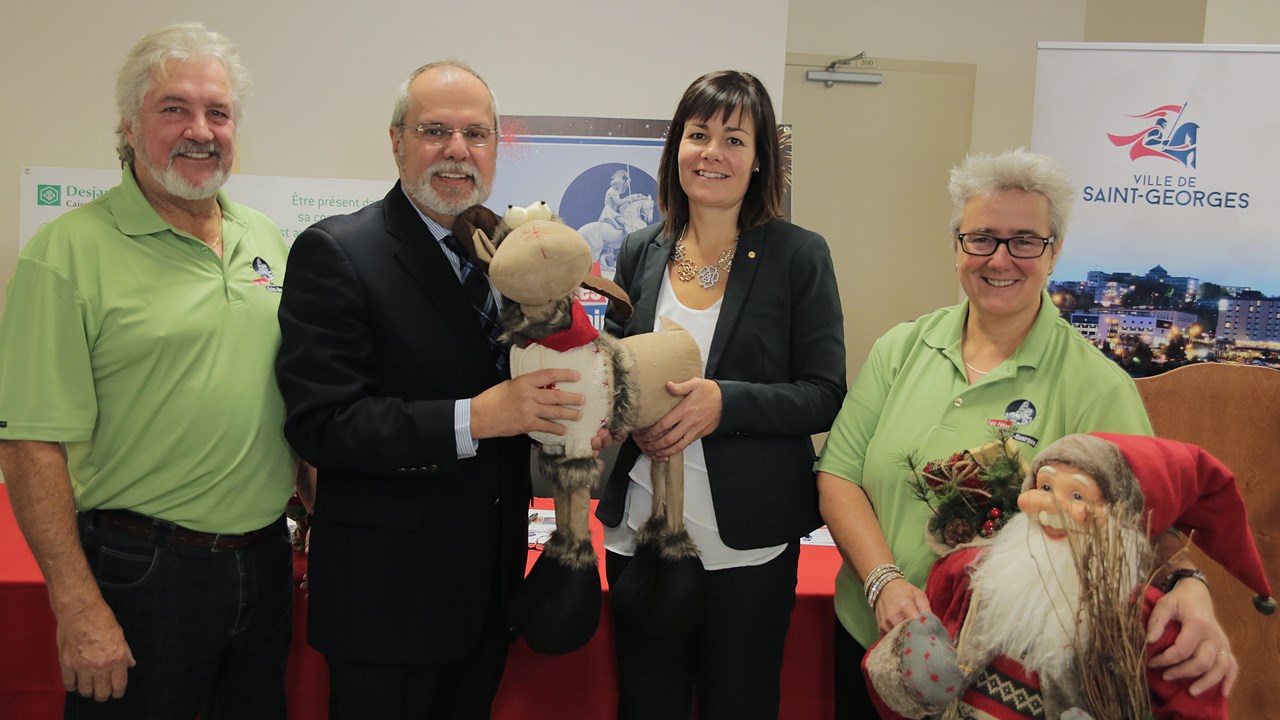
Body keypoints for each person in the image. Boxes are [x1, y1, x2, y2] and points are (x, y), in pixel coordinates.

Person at [816, 148, 1237, 717]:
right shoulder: (901, 349)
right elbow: (839, 475)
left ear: (1054, 251)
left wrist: (1192, 585)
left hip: (1005, 678)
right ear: (957, 245)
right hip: (875, 643)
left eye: (1024, 241)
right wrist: (883, 583)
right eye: (981, 237)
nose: (1000, 259)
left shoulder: (1097, 385)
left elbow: (1144, 523)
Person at [274, 61, 595, 720]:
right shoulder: (336, 252)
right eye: (435, 130)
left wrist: (579, 411)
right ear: (397, 141)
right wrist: (475, 418)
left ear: (496, 147)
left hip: (485, 600)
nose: (457, 149)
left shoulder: (508, 254)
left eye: (476, 133)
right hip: (385, 609)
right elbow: (323, 425)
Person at [0, 22, 302, 719]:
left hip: (263, 561)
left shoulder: (265, 238)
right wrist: (76, 604)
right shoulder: (66, 253)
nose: (201, 130)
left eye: (217, 112)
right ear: (130, 127)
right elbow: (28, 443)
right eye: (175, 109)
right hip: (141, 571)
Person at [596, 70, 847, 720]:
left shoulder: (798, 256)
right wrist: (611, 411)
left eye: (734, 139)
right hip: (641, 535)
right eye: (699, 134)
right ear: (676, 145)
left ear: (760, 156)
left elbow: (824, 395)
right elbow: (616, 369)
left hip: (747, 545)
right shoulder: (639, 251)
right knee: (645, 706)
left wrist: (722, 403)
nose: (713, 152)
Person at [864, 433, 1273, 719]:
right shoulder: (970, 572)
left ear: (1120, 517)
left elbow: (1197, 703)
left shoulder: (1142, 618)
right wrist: (909, 674)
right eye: (1043, 486)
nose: (1050, 506)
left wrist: (1188, 580)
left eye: (1077, 495)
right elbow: (915, 664)